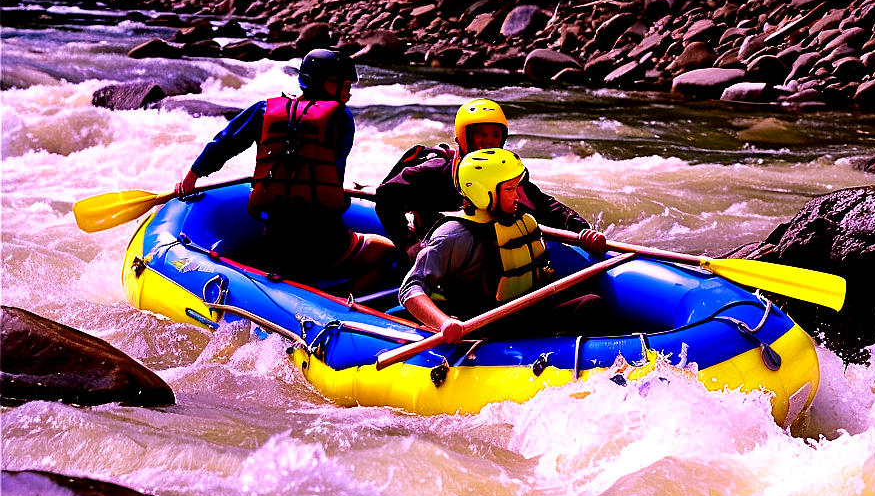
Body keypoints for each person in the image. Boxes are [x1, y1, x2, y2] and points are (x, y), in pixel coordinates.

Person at [175, 48, 394, 294]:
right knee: (385, 250)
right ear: (326, 84)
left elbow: (226, 142)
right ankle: (343, 302)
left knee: (277, 243)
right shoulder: (341, 118)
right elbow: (332, 171)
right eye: (343, 86)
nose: (349, 94)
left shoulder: (264, 110)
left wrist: (193, 174)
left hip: (275, 240)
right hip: (326, 242)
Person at [398, 148, 608, 344]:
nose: (518, 196)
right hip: (489, 330)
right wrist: (444, 323)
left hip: (526, 315)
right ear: (483, 192)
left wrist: (587, 237)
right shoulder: (453, 234)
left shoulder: (517, 219)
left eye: (517, 187)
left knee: (590, 305)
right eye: (510, 189)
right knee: (590, 305)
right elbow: (409, 289)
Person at [375, 97, 606, 261]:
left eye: (495, 135)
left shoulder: (504, 173)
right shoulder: (437, 170)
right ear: (465, 136)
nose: (489, 142)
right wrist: (408, 243)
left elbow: (543, 204)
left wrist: (581, 230)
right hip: (439, 254)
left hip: (483, 252)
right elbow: (386, 195)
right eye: (481, 135)